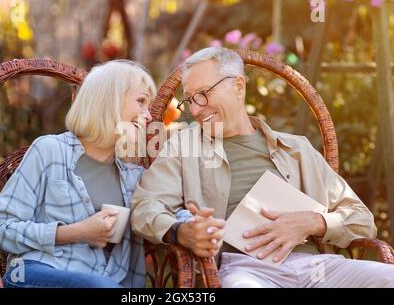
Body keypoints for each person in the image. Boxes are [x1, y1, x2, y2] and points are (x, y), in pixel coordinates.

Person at [131, 47, 394, 288]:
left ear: (238, 86)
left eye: (203, 94)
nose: (196, 109)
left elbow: (362, 220)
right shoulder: (182, 146)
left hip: (319, 267)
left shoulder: (296, 149)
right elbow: (145, 206)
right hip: (247, 271)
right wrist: (181, 232)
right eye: (189, 100)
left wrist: (314, 222)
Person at [0, 60, 156, 288]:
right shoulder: (49, 151)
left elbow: (165, 209)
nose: (148, 115)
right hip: (34, 273)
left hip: (105, 282)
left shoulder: (133, 177)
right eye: (141, 102)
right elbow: (0, 230)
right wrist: (77, 232)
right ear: (110, 100)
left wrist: (190, 225)